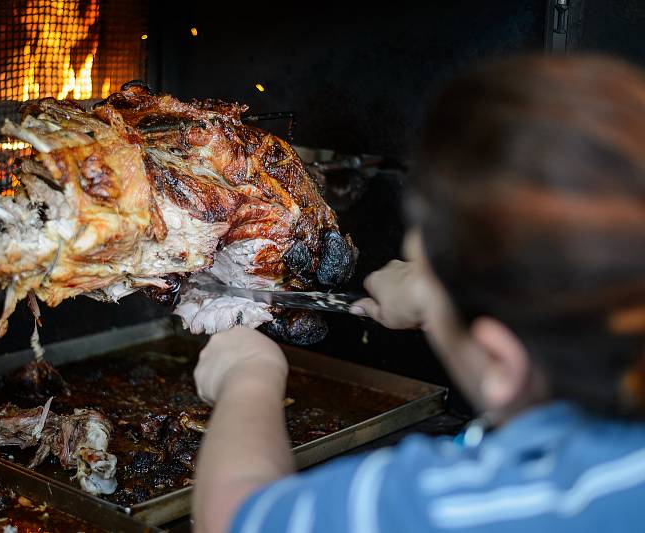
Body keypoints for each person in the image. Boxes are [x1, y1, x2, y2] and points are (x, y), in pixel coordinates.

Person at [190, 54, 645, 533]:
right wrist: (437, 294)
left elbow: (234, 521)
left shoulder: (466, 506)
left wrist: (250, 377)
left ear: (501, 364)